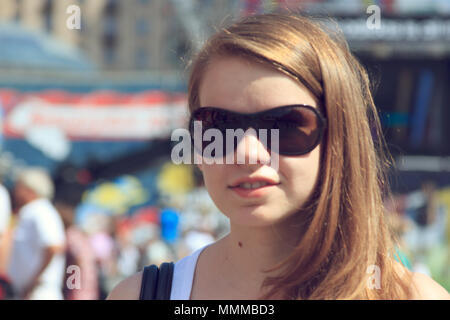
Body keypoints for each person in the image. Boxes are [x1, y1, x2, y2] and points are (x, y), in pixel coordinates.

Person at [108, 13, 450, 300]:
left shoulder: (411, 296)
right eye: (220, 126)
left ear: (340, 139)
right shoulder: (140, 295)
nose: (249, 153)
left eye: (287, 124)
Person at [8, 168, 66, 299]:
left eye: (19, 187)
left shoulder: (40, 210)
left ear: (30, 190)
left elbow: (54, 247)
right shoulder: (36, 211)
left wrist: (33, 282)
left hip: (38, 292)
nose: (15, 191)